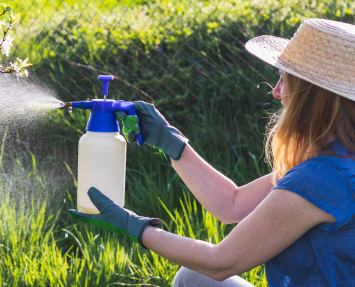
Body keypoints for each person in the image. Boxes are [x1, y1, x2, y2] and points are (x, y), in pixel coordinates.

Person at [69, 18, 355, 286]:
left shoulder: (321, 178)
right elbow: (232, 204)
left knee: (201, 274)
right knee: (192, 278)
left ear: (312, 96)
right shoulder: (335, 158)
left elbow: (219, 263)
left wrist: (134, 226)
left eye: (284, 78)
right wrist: (173, 144)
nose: (276, 92)